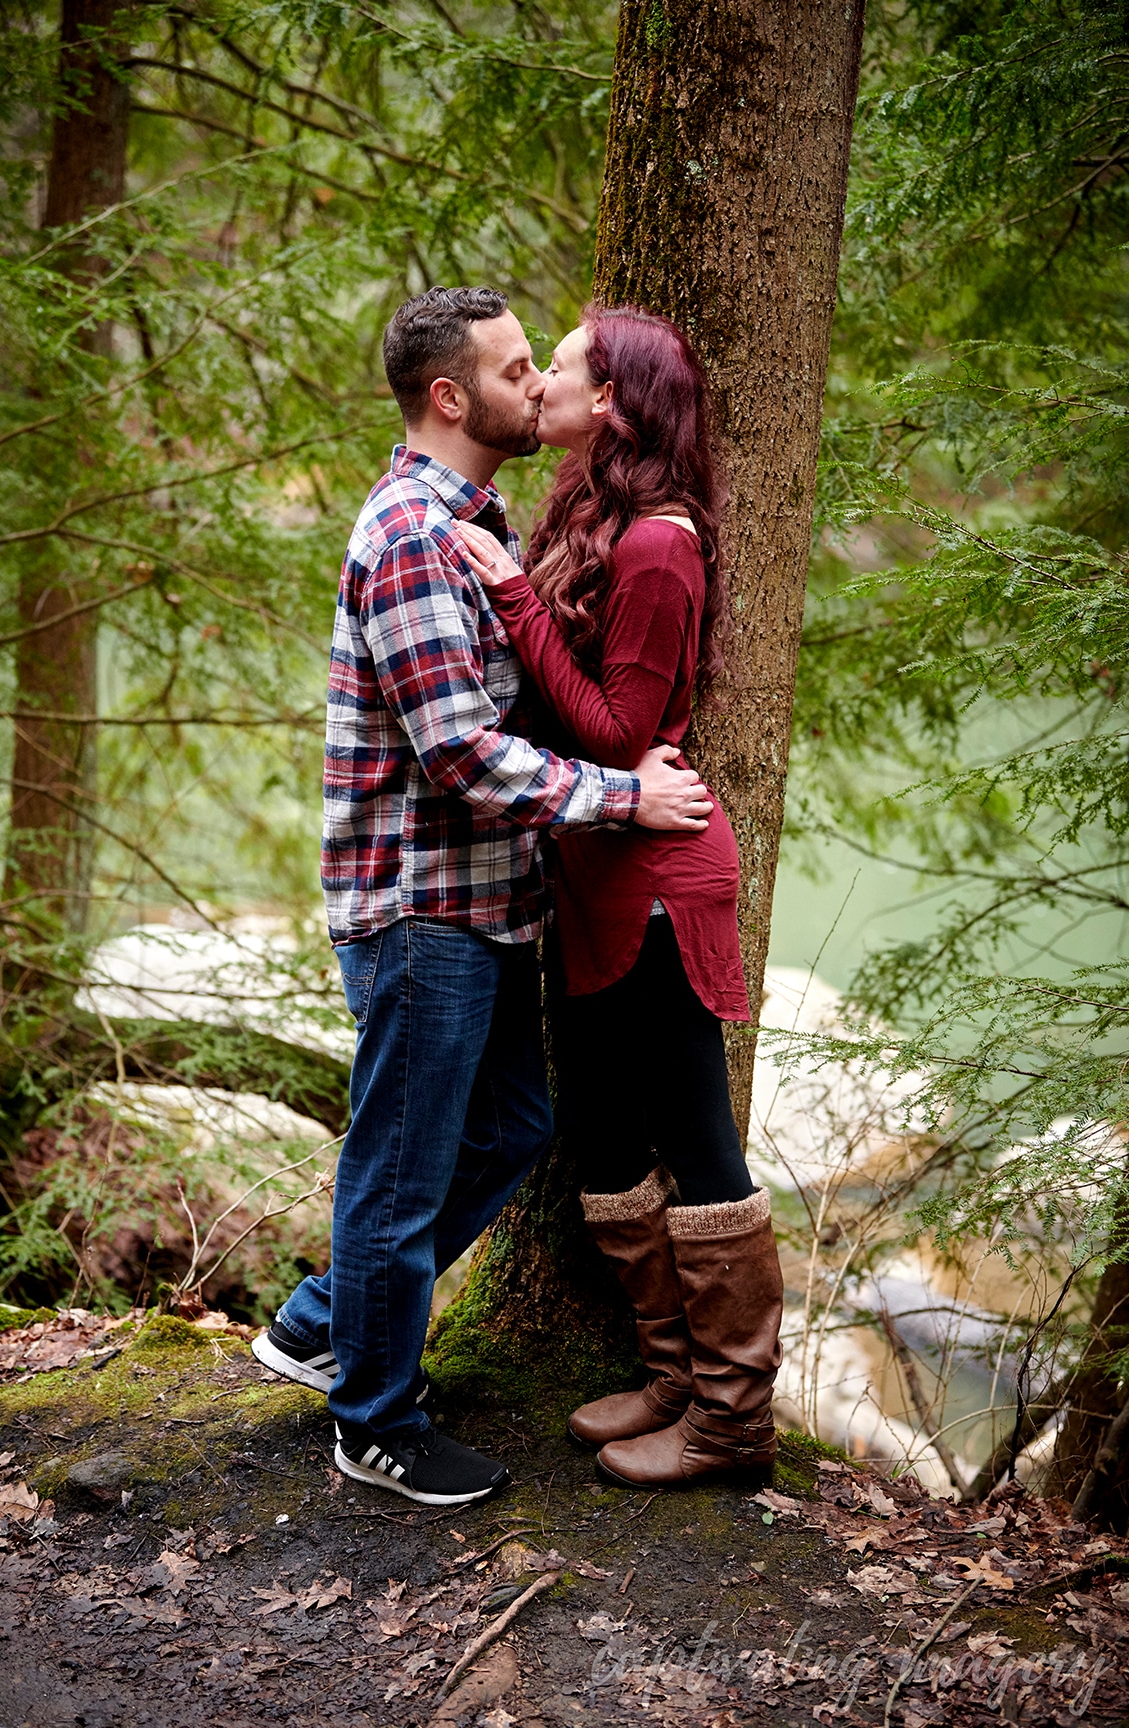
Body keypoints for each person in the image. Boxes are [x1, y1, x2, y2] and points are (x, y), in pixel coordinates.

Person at [252, 286, 714, 1508]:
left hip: (490, 900)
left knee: (509, 1130)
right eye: (520, 370)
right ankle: (374, 1421)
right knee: (398, 1178)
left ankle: (315, 1326)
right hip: (422, 909)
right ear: (450, 397)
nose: (543, 388)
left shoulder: (484, 514)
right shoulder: (409, 532)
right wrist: (625, 800)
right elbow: (460, 750)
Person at [454, 304, 784, 1491]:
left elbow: (616, 735)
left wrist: (514, 603)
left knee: (694, 1135)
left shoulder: (660, 545)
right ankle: (673, 1373)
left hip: (657, 878)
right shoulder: (595, 515)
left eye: (566, 366)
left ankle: (733, 1425)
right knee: (597, 1133)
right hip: (589, 874)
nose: (539, 380)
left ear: (616, 407)